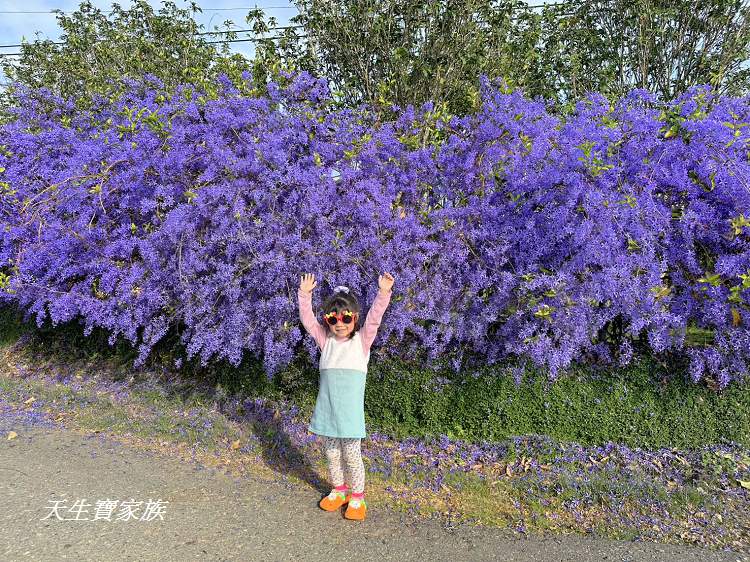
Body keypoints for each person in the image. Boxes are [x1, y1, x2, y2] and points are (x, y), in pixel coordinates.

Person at [297, 271, 394, 521]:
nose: (340, 323)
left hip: (350, 416)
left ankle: (358, 497)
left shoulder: (362, 342)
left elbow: (374, 319)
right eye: (333, 318)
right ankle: (339, 490)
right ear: (327, 320)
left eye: (346, 317)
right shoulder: (325, 340)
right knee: (331, 453)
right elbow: (308, 321)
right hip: (328, 410)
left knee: (352, 455)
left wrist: (383, 293)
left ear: (355, 318)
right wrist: (305, 294)